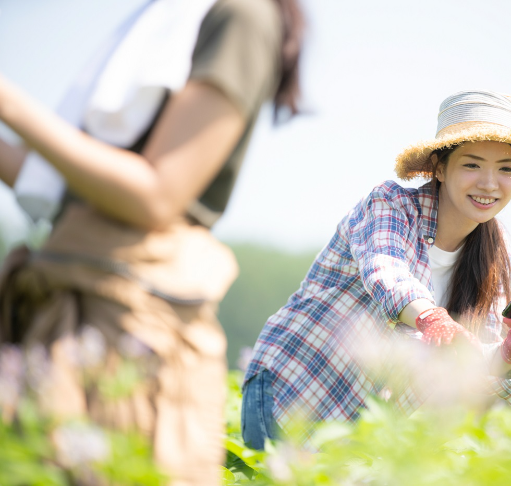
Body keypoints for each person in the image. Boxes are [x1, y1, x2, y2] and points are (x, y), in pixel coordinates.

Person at [0, 0, 304, 483]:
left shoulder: (241, 14)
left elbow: (156, 193)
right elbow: (65, 190)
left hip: (132, 320)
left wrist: (9, 104)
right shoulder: (161, 16)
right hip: (65, 299)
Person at [240, 90, 511, 449]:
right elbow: (387, 271)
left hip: (359, 433)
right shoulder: (392, 205)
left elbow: (472, 366)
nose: (490, 183)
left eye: (506, 169)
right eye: (472, 164)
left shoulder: (496, 248)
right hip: (294, 391)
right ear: (440, 167)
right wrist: (432, 319)